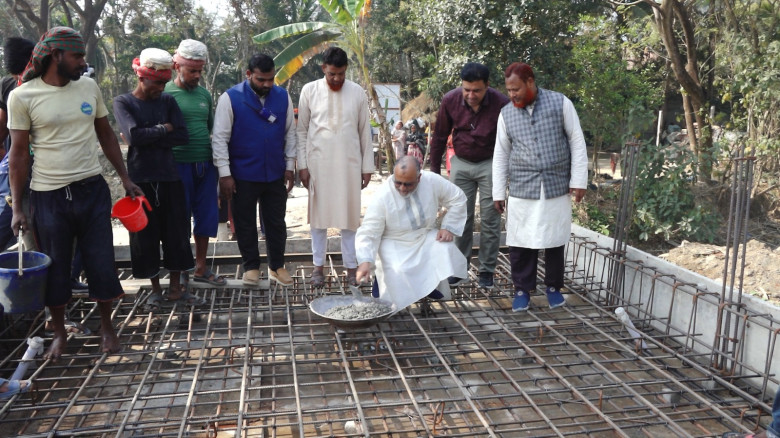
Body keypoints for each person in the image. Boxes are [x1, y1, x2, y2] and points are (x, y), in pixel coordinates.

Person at [7, 27, 144, 360]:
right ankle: (58, 332)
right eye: (77, 56)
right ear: (56, 56)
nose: (83, 62)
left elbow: (107, 135)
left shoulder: (88, 87)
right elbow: (19, 153)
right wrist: (17, 209)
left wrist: (125, 178)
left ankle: (107, 328)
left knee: (100, 261)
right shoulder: (23, 96)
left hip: (91, 189)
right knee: (56, 267)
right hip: (48, 195)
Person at [492, 62, 587, 311]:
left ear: (530, 82)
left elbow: (576, 140)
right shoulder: (506, 114)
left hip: (556, 184)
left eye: (516, 89)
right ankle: (522, 290)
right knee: (521, 240)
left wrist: (578, 181)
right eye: (509, 90)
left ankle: (554, 288)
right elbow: (501, 154)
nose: (512, 95)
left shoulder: (560, 103)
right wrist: (498, 191)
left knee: (554, 238)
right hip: (523, 186)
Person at [113, 48, 199, 310]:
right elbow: (134, 137)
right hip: (140, 180)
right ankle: (154, 290)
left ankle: (175, 287)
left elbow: (182, 136)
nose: (161, 87)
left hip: (169, 176)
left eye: (164, 82)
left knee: (176, 234)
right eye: (157, 82)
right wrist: (163, 129)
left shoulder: (167, 102)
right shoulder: (124, 102)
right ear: (142, 78)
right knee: (145, 237)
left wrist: (149, 134)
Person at [212, 54, 296, 287]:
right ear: (249, 75)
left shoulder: (283, 97)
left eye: (271, 79)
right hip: (242, 175)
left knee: (276, 222)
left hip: (274, 173)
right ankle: (251, 267)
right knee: (245, 221)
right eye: (261, 80)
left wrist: (290, 166)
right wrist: (225, 174)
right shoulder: (230, 98)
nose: (267, 85)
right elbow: (220, 138)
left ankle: (277, 266)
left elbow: (290, 133)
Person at [297, 47, 374, 288]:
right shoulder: (309, 91)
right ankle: (318, 268)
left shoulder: (358, 92)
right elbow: (301, 131)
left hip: (350, 165)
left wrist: (367, 166)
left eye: (341, 74)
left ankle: (351, 269)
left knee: (349, 220)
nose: (337, 79)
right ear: (323, 69)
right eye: (332, 74)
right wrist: (303, 165)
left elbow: (365, 132)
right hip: (317, 165)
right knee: (318, 220)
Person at [429, 62, 509, 289]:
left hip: (491, 163)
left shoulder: (502, 104)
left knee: (491, 218)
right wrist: (435, 173)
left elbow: (510, 140)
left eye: (476, 90)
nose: (471, 95)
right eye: (466, 90)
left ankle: (486, 270)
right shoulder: (450, 100)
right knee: (459, 217)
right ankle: (459, 268)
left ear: (487, 87)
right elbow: (439, 137)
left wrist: (507, 172)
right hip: (461, 163)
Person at [355, 156, 467, 309]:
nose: (402, 188)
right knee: (399, 268)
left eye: (408, 184)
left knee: (444, 249)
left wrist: (447, 227)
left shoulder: (432, 181)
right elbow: (369, 231)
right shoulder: (383, 195)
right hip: (393, 241)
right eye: (398, 183)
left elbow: (458, 198)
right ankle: (389, 302)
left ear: (419, 178)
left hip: (423, 236)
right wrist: (365, 261)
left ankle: (429, 291)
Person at [165, 39, 225, 287]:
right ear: (177, 66)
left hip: (204, 165)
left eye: (200, 71)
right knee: (179, 219)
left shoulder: (203, 95)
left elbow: (212, 128)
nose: (197, 76)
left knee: (206, 217)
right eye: (192, 71)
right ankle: (180, 270)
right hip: (177, 166)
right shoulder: (166, 94)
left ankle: (201, 267)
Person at [0, 37, 36, 252]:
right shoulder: (8, 86)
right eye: (16, 76)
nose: (20, 79)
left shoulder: (50, 86)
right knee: (15, 224)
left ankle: (66, 280)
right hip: (18, 174)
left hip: (49, 175)